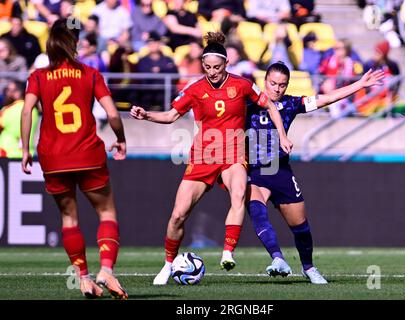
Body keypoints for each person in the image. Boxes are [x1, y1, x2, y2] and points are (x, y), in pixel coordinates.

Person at [130, 32, 293, 285]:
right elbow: (172, 116)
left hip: (233, 153)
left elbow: (270, 106)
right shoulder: (195, 89)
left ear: (226, 64)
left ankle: (228, 251)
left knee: (238, 194)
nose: (212, 72)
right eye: (207, 67)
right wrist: (146, 115)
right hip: (203, 155)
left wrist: (282, 136)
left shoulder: (242, 85)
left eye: (217, 67)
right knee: (178, 215)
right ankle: (168, 263)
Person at [246, 61, 384, 283]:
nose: (277, 89)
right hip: (255, 169)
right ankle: (277, 258)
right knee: (256, 209)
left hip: (280, 170)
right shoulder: (249, 102)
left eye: (282, 85)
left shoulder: (291, 104)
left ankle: (308, 267)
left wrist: (359, 84)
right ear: (265, 82)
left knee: (300, 226)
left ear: (287, 85)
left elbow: (325, 99)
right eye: (273, 83)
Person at [21, 19, 128, 299]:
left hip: (53, 157)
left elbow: (26, 111)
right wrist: (121, 138)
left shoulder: (38, 76)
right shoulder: (91, 73)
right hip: (88, 153)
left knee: (69, 218)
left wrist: (24, 149)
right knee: (106, 212)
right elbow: (114, 114)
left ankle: (83, 278)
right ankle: (106, 270)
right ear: (74, 45)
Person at [0, 81, 38, 158]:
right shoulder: (33, 110)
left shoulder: (8, 110)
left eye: (9, 90)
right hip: (28, 154)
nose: (6, 93)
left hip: (7, 154)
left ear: (18, 92)